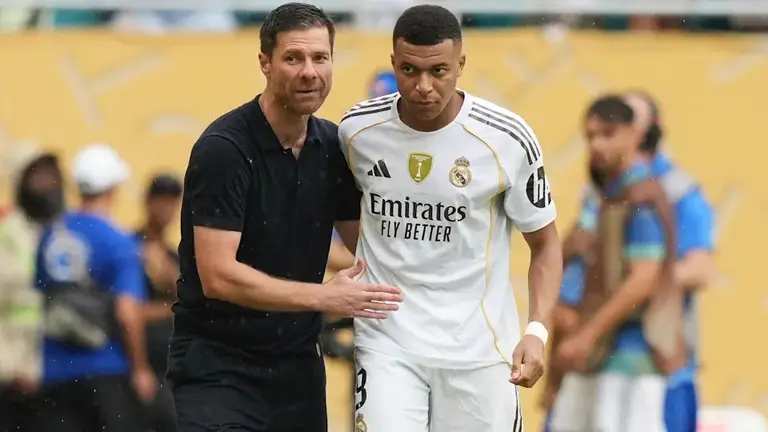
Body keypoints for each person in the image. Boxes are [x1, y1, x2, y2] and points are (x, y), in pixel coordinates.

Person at [167, 3, 403, 431]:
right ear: (265, 63)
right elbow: (218, 276)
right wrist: (324, 298)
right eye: (293, 58)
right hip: (219, 367)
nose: (309, 72)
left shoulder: (334, 147)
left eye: (320, 58)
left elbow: (372, 250)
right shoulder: (224, 150)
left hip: (297, 369)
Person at [337, 5, 563, 431]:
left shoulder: (506, 139)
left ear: (461, 65)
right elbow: (349, 219)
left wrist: (536, 331)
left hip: (479, 350)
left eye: (438, 71)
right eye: (409, 70)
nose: (423, 86)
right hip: (388, 344)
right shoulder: (356, 132)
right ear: (393, 63)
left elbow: (546, 244)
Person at [553, 96, 678, 432]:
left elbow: (643, 280)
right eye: (590, 136)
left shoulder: (641, 197)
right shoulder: (606, 194)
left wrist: (586, 336)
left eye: (608, 134)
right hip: (593, 356)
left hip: (630, 356)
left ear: (634, 134)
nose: (597, 145)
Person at [32, 143, 155, 432]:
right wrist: (140, 368)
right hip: (105, 368)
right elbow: (127, 312)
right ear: (113, 187)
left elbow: (42, 295)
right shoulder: (118, 240)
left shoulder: (51, 234)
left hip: (55, 372)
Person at [624, 91, 714, 432]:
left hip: (663, 361)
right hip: (609, 359)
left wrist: (639, 282)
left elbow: (700, 269)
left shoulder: (679, 190)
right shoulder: (605, 190)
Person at [0, 146, 65, 432]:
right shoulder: (7, 232)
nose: (48, 184)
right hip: (12, 373)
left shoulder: (65, 231)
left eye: (53, 175)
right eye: (39, 176)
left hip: (57, 372)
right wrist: (14, 367)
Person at [134, 173, 183, 432]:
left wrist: (169, 276)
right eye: (160, 200)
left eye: (171, 202)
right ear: (148, 202)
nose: (166, 208)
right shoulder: (129, 248)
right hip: (139, 366)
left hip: (171, 367)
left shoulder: (174, 256)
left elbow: (193, 304)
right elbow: (126, 309)